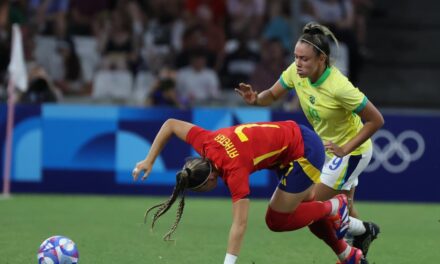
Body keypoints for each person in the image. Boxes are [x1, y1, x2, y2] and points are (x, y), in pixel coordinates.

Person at [235, 22, 384, 259]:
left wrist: (344, 149)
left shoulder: (339, 87)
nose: (298, 63)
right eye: (296, 57)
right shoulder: (296, 72)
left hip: (350, 152)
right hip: (323, 149)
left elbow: (376, 120)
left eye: (304, 59)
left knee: (310, 206)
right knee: (343, 207)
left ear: (321, 59)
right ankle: (361, 237)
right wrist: (255, 99)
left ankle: (361, 235)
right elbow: (272, 94)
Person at [132, 118, 367, 264]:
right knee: (306, 210)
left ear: (210, 177)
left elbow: (240, 224)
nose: (207, 191)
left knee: (276, 219)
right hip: (290, 142)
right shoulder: (205, 141)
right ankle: (349, 255)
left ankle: (337, 205)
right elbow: (171, 124)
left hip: (304, 151)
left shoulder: (233, 171)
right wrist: (148, 160)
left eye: (203, 189)